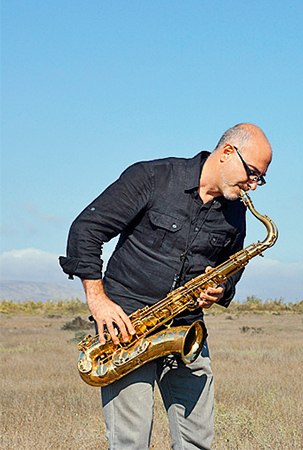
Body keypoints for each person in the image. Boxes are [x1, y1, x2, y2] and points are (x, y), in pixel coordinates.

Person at [60, 123, 272, 449]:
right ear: (227, 152)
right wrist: (98, 299)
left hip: (186, 329)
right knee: (130, 441)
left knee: (197, 440)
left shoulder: (236, 210)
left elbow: (233, 264)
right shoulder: (153, 177)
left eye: (260, 179)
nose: (253, 185)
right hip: (127, 327)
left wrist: (221, 288)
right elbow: (86, 229)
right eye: (252, 173)